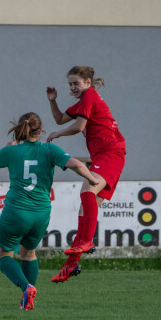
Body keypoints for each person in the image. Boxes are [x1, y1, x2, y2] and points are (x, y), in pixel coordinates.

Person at [0, 112, 98, 310]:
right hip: (41, 213)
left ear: (21, 128)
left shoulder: (13, 151)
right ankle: (29, 295)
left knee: (2, 254)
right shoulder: (50, 149)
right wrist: (94, 180)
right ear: (41, 131)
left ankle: (26, 287)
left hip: (16, 211)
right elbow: (77, 164)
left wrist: (7, 149)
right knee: (29, 254)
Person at [46, 66, 126, 283]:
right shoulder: (83, 100)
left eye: (76, 83)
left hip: (110, 152)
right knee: (85, 207)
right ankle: (70, 266)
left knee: (87, 190)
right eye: (70, 84)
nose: (73, 87)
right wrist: (53, 100)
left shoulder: (89, 95)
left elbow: (78, 126)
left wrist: (58, 135)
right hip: (105, 154)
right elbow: (61, 119)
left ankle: (88, 241)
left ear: (88, 83)